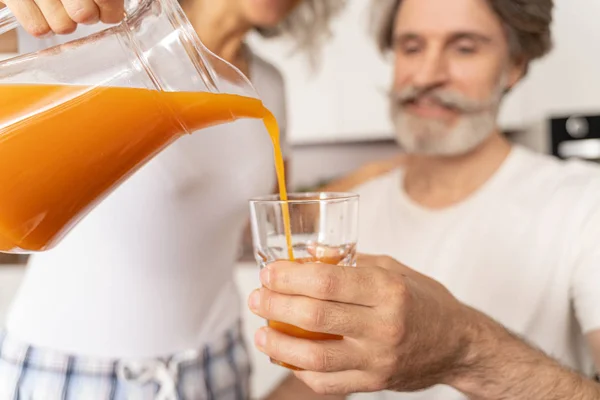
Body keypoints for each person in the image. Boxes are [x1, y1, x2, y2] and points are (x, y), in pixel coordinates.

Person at [248, 0, 600, 398]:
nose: (428, 75)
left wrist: (464, 348)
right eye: (412, 47)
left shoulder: (585, 203)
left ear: (515, 65)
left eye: (464, 47)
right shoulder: (348, 216)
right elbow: (319, 377)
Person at [0, 0, 346, 399]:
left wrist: (380, 180)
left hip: (216, 364)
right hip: (72, 369)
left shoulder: (269, 85)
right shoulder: (80, 33)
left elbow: (265, 221)